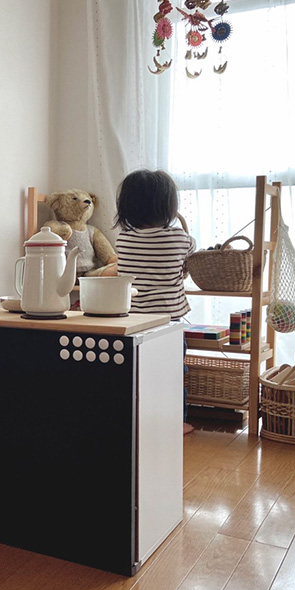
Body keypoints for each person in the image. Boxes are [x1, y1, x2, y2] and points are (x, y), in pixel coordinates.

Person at [103, 169, 196, 434]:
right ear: (169, 207)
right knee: (171, 374)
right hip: (167, 322)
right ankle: (175, 422)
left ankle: (137, 419)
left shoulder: (123, 239)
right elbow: (189, 263)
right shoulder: (181, 238)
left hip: (133, 320)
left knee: (137, 374)